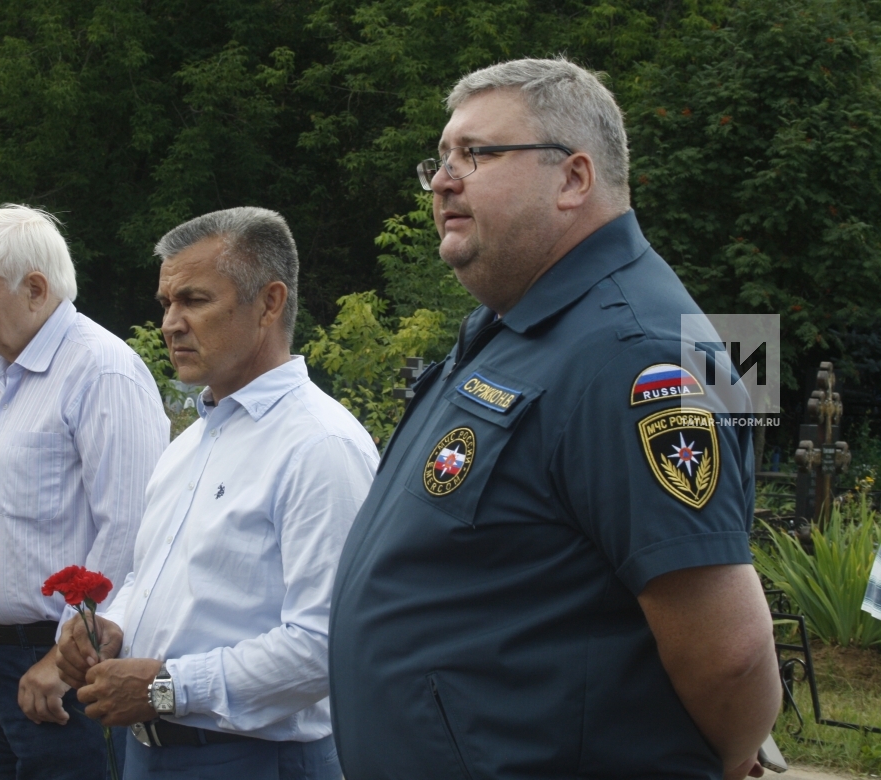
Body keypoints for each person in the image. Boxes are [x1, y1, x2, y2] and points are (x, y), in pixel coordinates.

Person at [329, 58, 782, 780]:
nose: (444, 179)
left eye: (476, 155)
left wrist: (727, 758)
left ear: (573, 179)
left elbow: (728, 654)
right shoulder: (523, 326)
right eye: (440, 159)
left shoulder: (633, 355)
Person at [55, 206, 379, 780]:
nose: (170, 323)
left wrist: (163, 688)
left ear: (269, 303)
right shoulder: (192, 442)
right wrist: (115, 626)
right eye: (166, 304)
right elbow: (150, 576)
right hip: (155, 749)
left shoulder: (319, 446)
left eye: (194, 300)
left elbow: (326, 645)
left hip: (253, 757)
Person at [0, 204, 169, 780]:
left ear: (35, 288)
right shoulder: (4, 372)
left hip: (60, 665)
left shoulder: (102, 371)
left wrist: (63, 661)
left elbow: (131, 530)